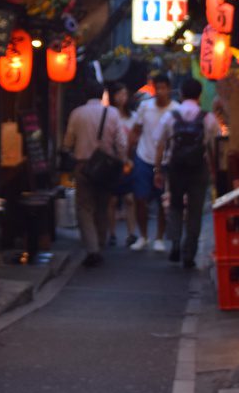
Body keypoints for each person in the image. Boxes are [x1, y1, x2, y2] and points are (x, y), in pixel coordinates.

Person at [154, 77, 220, 269]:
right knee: (195, 211)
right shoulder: (208, 118)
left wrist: (157, 170)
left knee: (175, 206)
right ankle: (189, 252)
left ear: (181, 94)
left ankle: (175, 243)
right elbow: (213, 147)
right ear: (199, 95)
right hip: (199, 169)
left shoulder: (171, 116)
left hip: (176, 168)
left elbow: (160, 145)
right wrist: (215, 172)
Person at [63, 78, 128, 267]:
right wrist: (122, 162)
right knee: (102, 206)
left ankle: (92, 249)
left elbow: (68, 142)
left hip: (83, 166)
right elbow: (121, 143)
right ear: (102, 95)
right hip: (106, 167)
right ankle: (100, 243)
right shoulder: (113, 113)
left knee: (84, 208)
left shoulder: (77, 114)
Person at [128, 73, 179, 252]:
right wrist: (128, 154)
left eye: (163, 88)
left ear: (169, 89)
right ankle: (143, 236)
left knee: (161, 201)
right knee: (140, 198)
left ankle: (159, 237)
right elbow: (136, 130)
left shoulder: (176, 109)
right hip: (143, 157)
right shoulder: (145, 107)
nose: (160, 91)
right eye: (157, 88)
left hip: (165, 161)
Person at [106, 81, 137, 247]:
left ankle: (132, 233)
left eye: (124, 94)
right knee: (111, 200)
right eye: (118, 94)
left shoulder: (133, 117)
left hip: (128, 161)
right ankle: (111, 233)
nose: (122, 97)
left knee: (129, 198)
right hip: (111, 162)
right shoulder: (108, 114)